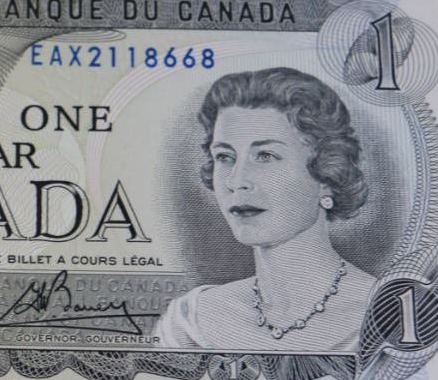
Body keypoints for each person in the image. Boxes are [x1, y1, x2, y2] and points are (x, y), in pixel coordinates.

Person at [155, 67, 377, 352]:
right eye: (225, 157)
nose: (236, 181)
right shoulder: (190, 319)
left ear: (326, 176)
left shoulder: (387, 316)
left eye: (266, 156)